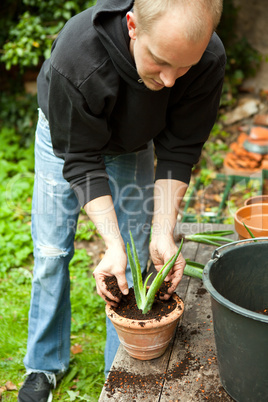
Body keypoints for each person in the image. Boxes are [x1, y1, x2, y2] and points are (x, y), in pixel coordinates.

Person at [18, 0, 226, 400]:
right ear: (132, 26)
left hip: (132, 144)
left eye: (183, 68)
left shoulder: (207, 57)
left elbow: (180, 150)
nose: (169, 81)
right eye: (160, 62)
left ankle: (121, 371)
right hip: (64, 139)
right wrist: (108, 242)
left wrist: (162, 231)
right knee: (50, 253)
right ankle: (44, 365)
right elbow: (80, 160)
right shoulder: (77, 58)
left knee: (133, 259)